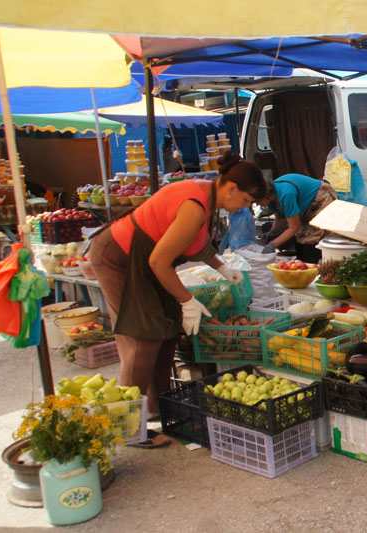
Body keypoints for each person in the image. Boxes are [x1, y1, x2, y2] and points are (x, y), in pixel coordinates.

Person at [88, 152, 264, 447]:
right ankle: (127, 428)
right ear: (232, 188)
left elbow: (194, 242)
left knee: (167, 331)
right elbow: (159, 262)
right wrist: (187, 300)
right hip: (119, 258)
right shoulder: (195, 205)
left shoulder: (206, 195)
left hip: (146, 261)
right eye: (247, 200)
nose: (245, 207)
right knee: (141, 337)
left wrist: (223, 268)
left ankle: (159, 410)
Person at [259, 173, 337, 263]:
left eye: (258, 201)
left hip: (321, 197)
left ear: (266, 196)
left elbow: (294, 228)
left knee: (311, 240)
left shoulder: (286, 195)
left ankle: (311, 269)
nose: (257, 204)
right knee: (300, 239)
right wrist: (272, 232)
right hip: (306, 206)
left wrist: (272, 245)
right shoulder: (273, 199)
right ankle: (301, 265)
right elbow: (280, 216)